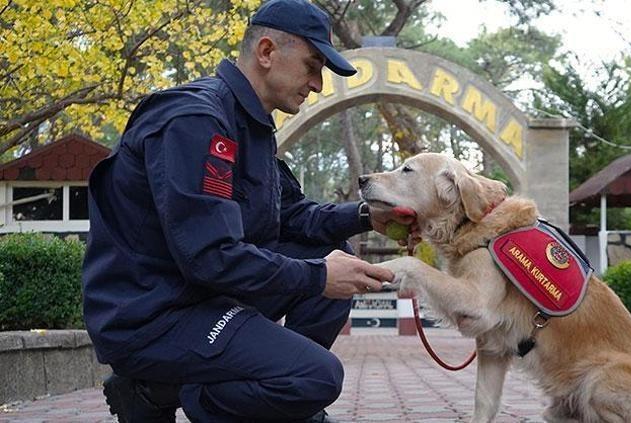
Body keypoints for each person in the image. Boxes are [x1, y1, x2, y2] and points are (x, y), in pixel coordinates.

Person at [82, 0, 415, 421]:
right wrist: (318, 276)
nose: (317, 85)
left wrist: (367, 216)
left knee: (332, 253)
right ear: (266, 52)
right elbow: (211, 257)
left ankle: (276, 399)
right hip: (154, 316)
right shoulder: (195, 120)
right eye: (312, 67)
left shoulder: (249, 126)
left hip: (206, 297)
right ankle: (158, 391)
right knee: (318, 375)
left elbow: (291, 217)